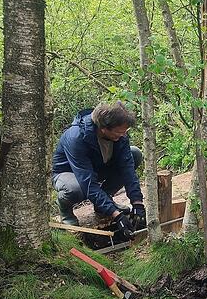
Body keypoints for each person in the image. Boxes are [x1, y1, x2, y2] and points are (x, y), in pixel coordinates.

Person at [52, 101, 145, 240]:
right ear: (103, 128)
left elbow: (128, 168)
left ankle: (103, 202)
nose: (123, 135)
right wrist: (116, 215)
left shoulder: (121, 135)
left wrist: (137, 202)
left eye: (125, 132)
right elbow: (87, 183)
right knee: (75, 189)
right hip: (69, 173)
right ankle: (65, 211)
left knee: (135, 154)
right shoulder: (76, 137)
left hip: (99, 166)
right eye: (119, 132)